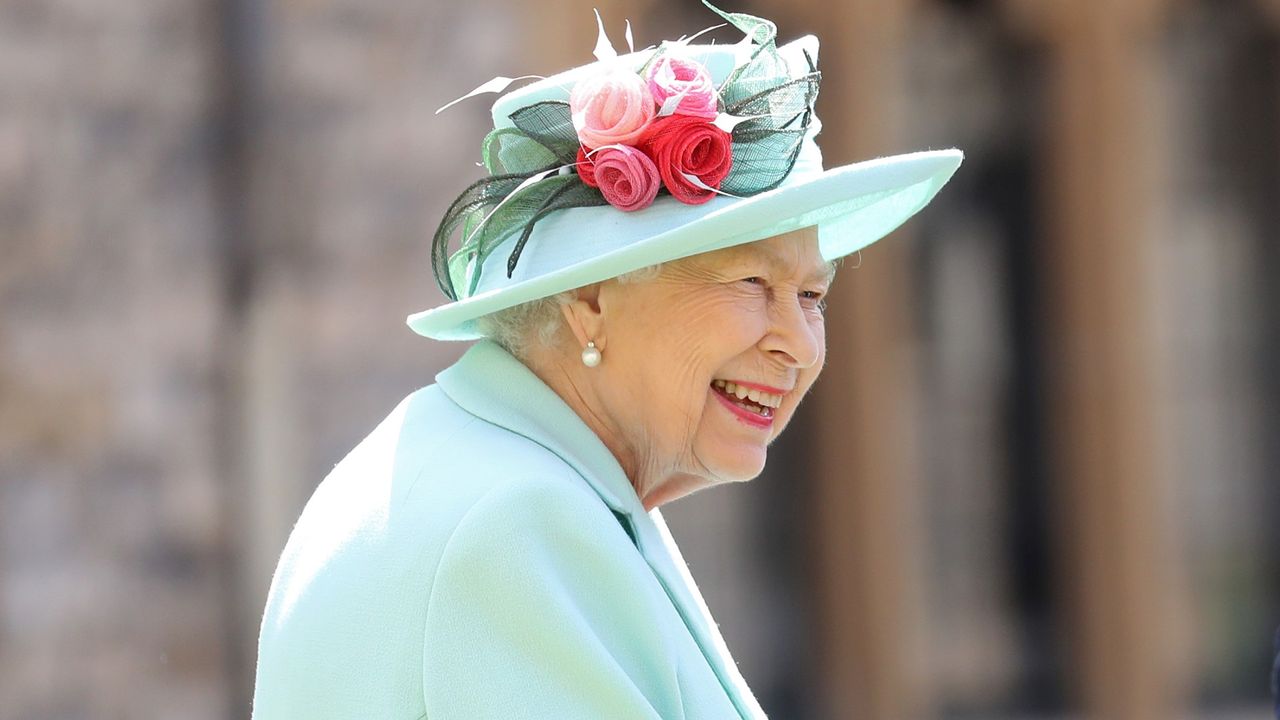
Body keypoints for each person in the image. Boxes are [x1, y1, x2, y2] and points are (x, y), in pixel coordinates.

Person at [250, 4, 961, 718]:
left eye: (811, 295)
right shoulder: (519, 521)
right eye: (752, 283)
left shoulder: (520, 472)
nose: (800, 345)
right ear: (589, 298)